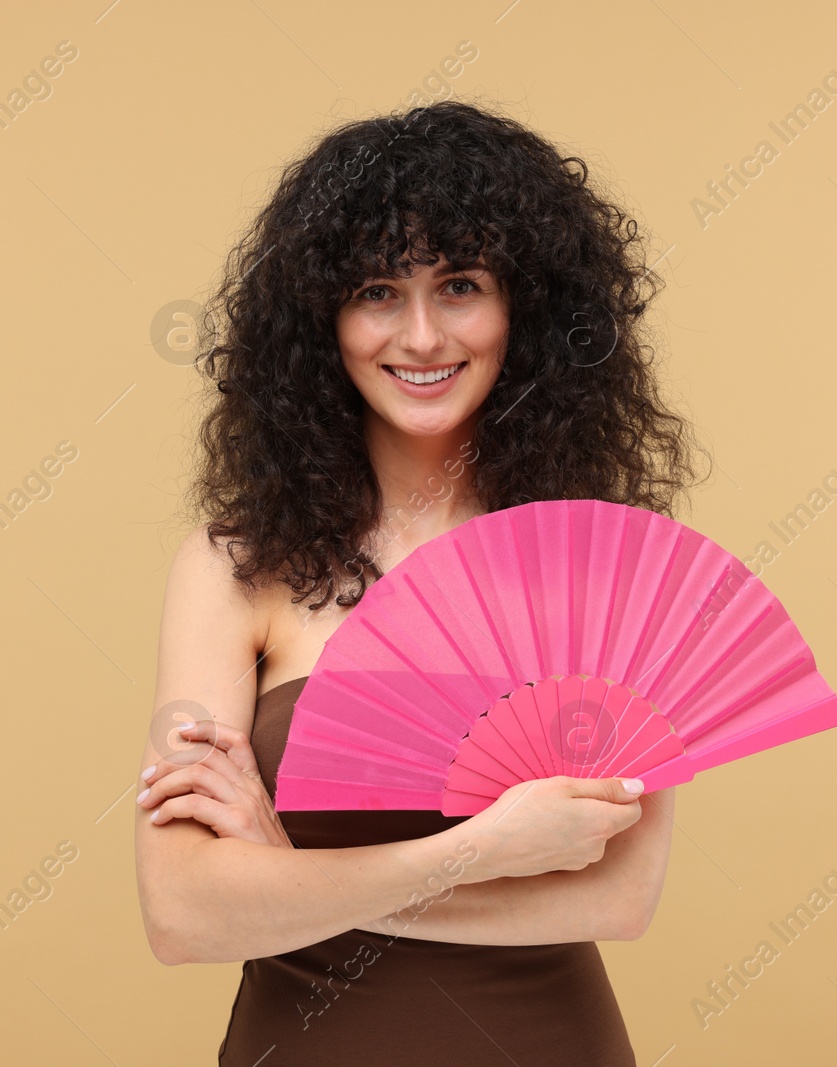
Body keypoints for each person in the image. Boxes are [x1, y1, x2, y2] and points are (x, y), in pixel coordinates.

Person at [134, 98, 705, 1065]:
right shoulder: (234, 571)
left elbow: (618, 898)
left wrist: (291, 882)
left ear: (529, 309)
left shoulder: (613, 569)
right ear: (322, 318)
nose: (424, 335)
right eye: (377, 291)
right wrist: (487, 850)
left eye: (461, 284)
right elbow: (183, 912)